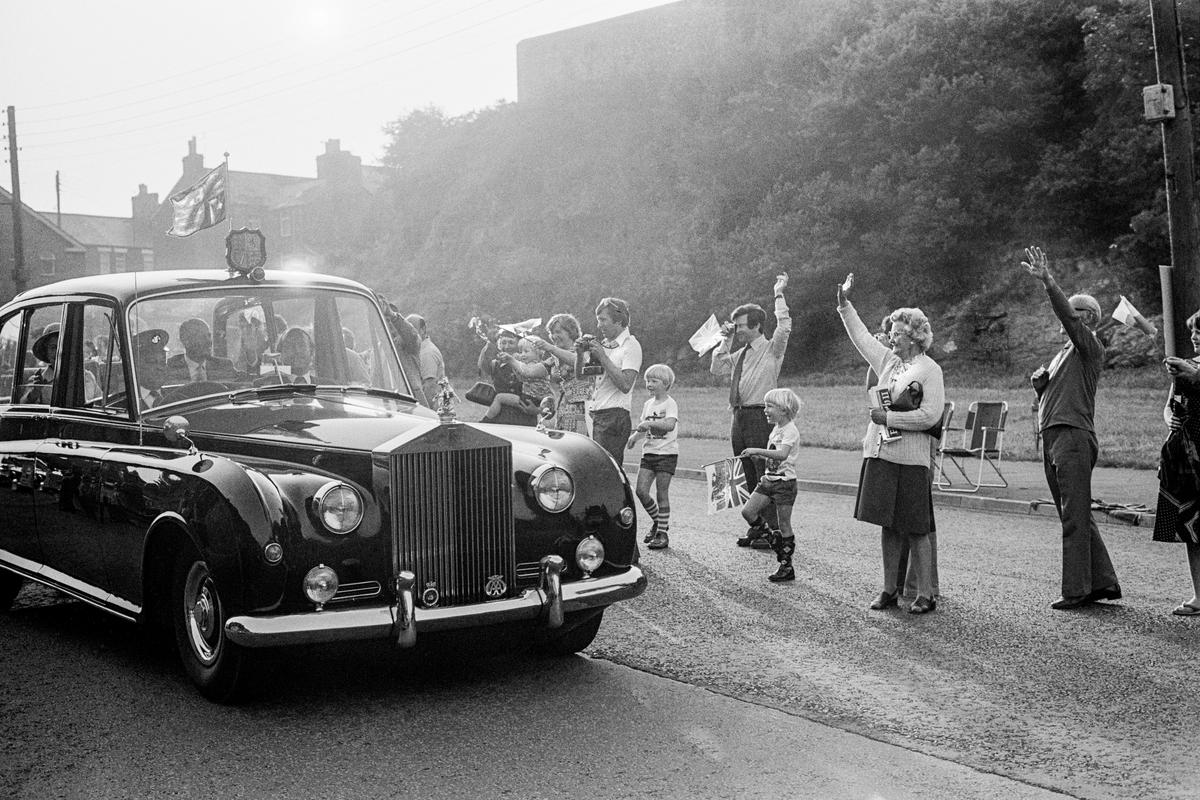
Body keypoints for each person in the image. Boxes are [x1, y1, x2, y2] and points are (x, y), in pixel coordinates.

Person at [1020, 245, 1121, 609]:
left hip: (1073, 436)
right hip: (1054, 434)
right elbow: (1062, 390)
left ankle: (1076, 590)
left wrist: (1048, 282)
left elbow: (1068, 317)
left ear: (1088, 319)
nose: (1066, 320)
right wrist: (1041, 387)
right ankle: (1103, 582)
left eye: (1075, 314)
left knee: (1074, 517)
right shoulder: (1064, 352)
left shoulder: (1089, 344)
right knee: (1072, 512)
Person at [837, 275, 943, 614]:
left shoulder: (930, 369)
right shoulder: (889, 362)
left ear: (914, 337)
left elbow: (930, 416)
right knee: (887, 524)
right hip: (881, 453)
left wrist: (891, 419)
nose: (891, 337)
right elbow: (862, 338)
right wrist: (844, 304)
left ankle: (925, 593)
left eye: (897, 333)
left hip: (911, 460)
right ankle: (889, 589)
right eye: (892, 332)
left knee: (916, 527)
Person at [710, 273, 791, 549]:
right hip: (739, 415)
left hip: (760, 415)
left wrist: (778, 293)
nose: (738, 330)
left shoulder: (772, 349)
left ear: (756, 326)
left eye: (741, 326)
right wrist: (726, 339)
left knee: (763, 473)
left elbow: (785, 325)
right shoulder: (739, 353)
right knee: (745, 473)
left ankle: (773, 530)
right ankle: (757, 527)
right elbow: (717, 368)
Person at [1154, 310, 1200, 616]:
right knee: (1192, 528)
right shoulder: (1187, 366)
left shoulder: (1191, 368)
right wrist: (1172, 421)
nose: (1195, 336)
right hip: (1184, 455)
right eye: (1194, 331)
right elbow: (1170, 407)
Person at [738, 388, 802, 583]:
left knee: (784, 524)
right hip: (769, 480)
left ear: (784, 409)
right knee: (748, 512)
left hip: (784, 484)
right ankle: (773, 541)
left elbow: (782, 455)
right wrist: (759, 455)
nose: (765, 410)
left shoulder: (790, 430)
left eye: (770, 406)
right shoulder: (776, 429)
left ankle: (786, 566)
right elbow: (774, 455)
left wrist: (758, 450)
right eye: (765, 405)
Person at [627, 364, 679, 551]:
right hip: (649, 453)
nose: (649, 384)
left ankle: (662, 533)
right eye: (648, 380)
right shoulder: (648, 405)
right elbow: (644, 427)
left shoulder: (669, 403)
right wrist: (635, 436)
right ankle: (659, 522)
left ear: (665, 384)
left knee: (661, 493)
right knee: (641, 491)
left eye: (654, 381)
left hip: (666, 453)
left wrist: (649, 423)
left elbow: (670, 425)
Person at [587, 297, 642, 465]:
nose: (599, 325)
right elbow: (583, 376)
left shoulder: (630, 345)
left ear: (618, 321)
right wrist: (581, 353)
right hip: (597, 415)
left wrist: (603, 357)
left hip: (614, 416)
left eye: (603, 320)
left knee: (607, 471)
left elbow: (626, 385)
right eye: (598, 320)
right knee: (598, 470)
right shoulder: (605, 344)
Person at [528, 313, 593, 434]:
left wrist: (551, 348)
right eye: (552, 333)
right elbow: (529, 372)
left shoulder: (584, 349)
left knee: (579, 447)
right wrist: (510, 360)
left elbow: (579, 361)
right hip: (563, 409)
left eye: (558, 332)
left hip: (582, 410)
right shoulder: (554, 357)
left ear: (571, 332)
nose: (554, 336)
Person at [375, 293, 428, 407]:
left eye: (390, 321)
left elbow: (411, 335)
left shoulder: (408, 344)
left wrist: (393, 316)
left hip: (410, 404)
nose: (388, 325)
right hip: (385, 405)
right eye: (383, 321)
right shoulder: (377, 349)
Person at [482, 337, 553, 422]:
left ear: (538, 353)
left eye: (526, 351)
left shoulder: (536, 367)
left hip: (526, 403)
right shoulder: (498, 364)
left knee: (499, 398)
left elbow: (526, 372)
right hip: (522, 404)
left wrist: (539, 410)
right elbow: (483, 366)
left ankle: (486, 420)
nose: (523, 354)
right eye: (521, 352)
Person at [477, 327, 536, 426]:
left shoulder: (526, 362)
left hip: (524, 414)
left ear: (518, 344)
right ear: (498, 345)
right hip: (501, 415)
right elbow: (482, 365)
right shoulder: (495, 364)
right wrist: (488, 343)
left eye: (511, 343)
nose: (507, 346)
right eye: (503, 343)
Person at [166, 318, 236, 384]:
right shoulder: (170, 368)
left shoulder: (223, 366)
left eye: (209, 336)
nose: (209, 341)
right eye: (202, 337)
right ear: (186, 341)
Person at [405, 314, 447, 407]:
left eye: (413, 329)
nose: (409, 333)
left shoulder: (427, 353)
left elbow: (430, 388)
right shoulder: (418, 350)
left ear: (423, 330)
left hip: (433, 411)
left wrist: (425, 413)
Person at [132, 329, 170, 409]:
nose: (160, 368)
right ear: (136, 365)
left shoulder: (173, 398)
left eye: (163, 362)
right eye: (152, 362)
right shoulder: (127, 403)